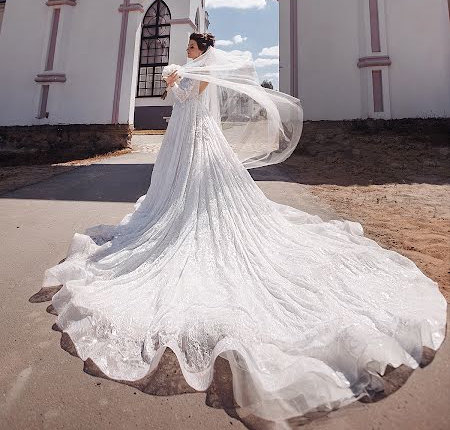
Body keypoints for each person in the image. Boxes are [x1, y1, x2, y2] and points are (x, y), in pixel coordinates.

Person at [34, 31, 447, 423]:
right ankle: (172, 207)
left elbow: (187, 98)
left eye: (191, 46)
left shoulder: (200, 74)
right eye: (189, 48)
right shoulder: (191, 69)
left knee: (202, 183)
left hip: (196, 134)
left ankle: (193, 213)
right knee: (173, 183)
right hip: (180, 134)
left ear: (200, 49)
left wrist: (175, 79)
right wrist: (170, 82)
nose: (188, 50)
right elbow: (174, 99)